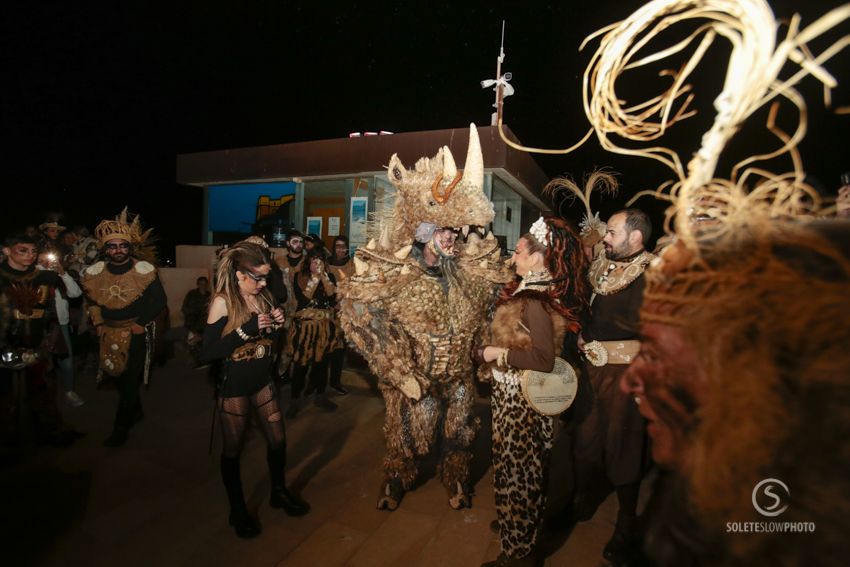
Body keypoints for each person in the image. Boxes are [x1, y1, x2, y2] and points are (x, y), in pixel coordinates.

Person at [339, 124, 509, 511]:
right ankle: (396, 478)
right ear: (424, 231)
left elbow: (489, 308)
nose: (452, 238)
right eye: (444, 231)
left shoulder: (469, 271)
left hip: (458, 375)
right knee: (406, 432)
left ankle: (457, 478)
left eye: (455, 232)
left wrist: (487, 348)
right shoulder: (395, 273)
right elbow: (357, 313)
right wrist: (396, 367)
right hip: (414, 376)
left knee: (460, 433)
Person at [477, 216, 589, 567]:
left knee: (519, 475)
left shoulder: (536, 302)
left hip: (522, 405)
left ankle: (518, 553)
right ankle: (518, 533)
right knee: (516, 473)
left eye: (520, 251)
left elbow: (542, 359)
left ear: (538, 258)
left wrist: (498, 354)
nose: (513, 258)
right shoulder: (530, 294)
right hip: (513, 398)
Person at [200, 241, 309, 538]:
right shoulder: (223, 301)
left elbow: (268, 339)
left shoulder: (263, 297)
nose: (263, 283)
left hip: (262, 381)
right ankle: (237, 510)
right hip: (234, 386)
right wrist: (243, 331)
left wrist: (276, 324)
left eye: (266, 277)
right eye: (257, 277)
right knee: (233, 450)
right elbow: (207, 352)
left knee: (278, 439)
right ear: (238, 274)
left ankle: (278, 492)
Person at [572, 208, 653, 565]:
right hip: (592, 370)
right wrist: (581, 335)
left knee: (625, 446)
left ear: (636, 237)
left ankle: (626, 522)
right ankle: (585, 496)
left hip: (627, 374)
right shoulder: (604, 265)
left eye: (612, 232)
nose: (605, 238)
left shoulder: (656, 272)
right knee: (586, 438)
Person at [82, 209, 167, 447]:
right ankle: (136, 411)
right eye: (112, 246)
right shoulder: (94, 273)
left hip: (136, 333)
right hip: (107, 333)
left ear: (129, 248)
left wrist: (141, 324)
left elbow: (160, 301)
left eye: (122, 245)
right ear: (105, 249)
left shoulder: (144, 271)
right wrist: (98, 322)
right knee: (118, 378)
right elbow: (91, 301)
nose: (117, 250)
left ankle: (120, 429)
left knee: (129, 380)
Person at [0, 234, 79, 447]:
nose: (30, 255)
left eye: (33, 251)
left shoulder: (45, 278)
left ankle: (49, 433)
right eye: (22, 250)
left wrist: (47, 345)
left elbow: (55, 313)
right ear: (7, 251)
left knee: (42, 393)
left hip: (37, 347)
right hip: (5, 347)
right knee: (5, 397)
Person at [285, 248, 338, 415]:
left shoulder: (329, 277)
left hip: (323, 327)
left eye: (320, 260)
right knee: (301, 364)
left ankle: (320, 396)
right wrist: (315, 278)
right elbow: (303, 300)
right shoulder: (299, 277)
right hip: (305, 328)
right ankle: (294, 400)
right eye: (314, 259)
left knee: (322, 363)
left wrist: (323, 277)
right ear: (309, 262)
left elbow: (332, 298)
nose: (317, 263)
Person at [36, 247, 84, 406]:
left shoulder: (60, 275)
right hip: (40, 325)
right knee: (39, 363)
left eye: (50, 258)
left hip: (60, 325)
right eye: (43, 258)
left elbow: (75, 293)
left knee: (66, 361)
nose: (47, 261)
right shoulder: (33, 274)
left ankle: (69, 391)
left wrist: (63, 273)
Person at [326, 235, 353, 395]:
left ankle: (335, 381)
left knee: (339, 348)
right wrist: (331, 303)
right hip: (327, 311)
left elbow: (354, 287)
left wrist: (343, 303)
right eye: (338, 246)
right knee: (323, 347)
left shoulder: (352, 265)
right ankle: (317, 384)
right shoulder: (327, 264)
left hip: (343, 311)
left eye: (343, 246)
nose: (341, 249)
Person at [182, 276, 211, 364]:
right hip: (192, 323)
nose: (203, 285)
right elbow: (185, 308)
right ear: (197, 284)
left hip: (205, 324)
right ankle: (197, 360)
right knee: (192, 342)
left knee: (204, 341)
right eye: (201, 283)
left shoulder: (209, 295)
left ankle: (203, 360)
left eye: (205, 284)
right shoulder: (192, 294)